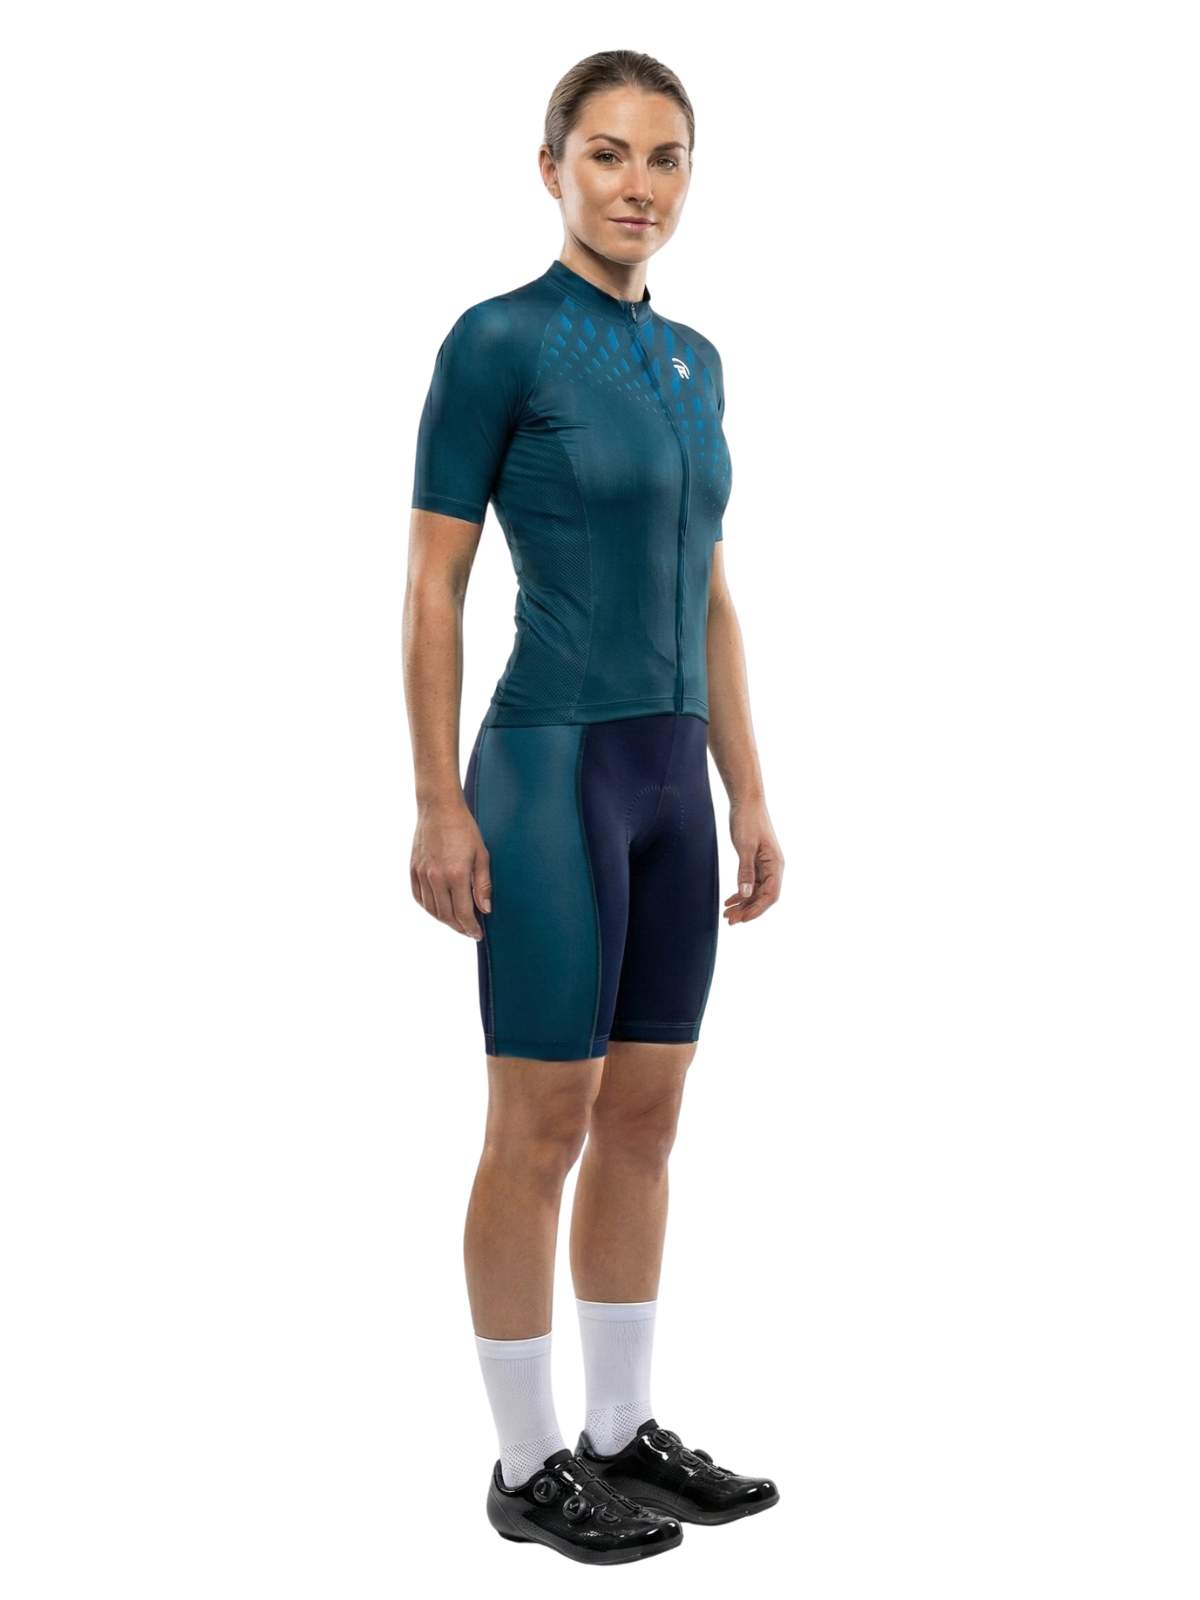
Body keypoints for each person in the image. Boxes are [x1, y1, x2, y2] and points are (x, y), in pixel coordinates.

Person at [405, 50, 784, 1565]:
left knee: (647, 1114)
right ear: (552, 166)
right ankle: (525, 1464)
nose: (639, 186)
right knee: (541, 1122)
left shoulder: (695, 360)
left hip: (671, 782)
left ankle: (621, 1434)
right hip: (552, 771)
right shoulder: (499, 341)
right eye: (610, 154)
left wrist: (749, 789)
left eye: (666, 158)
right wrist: (437, 801)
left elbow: (709, 593)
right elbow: (433, 581)